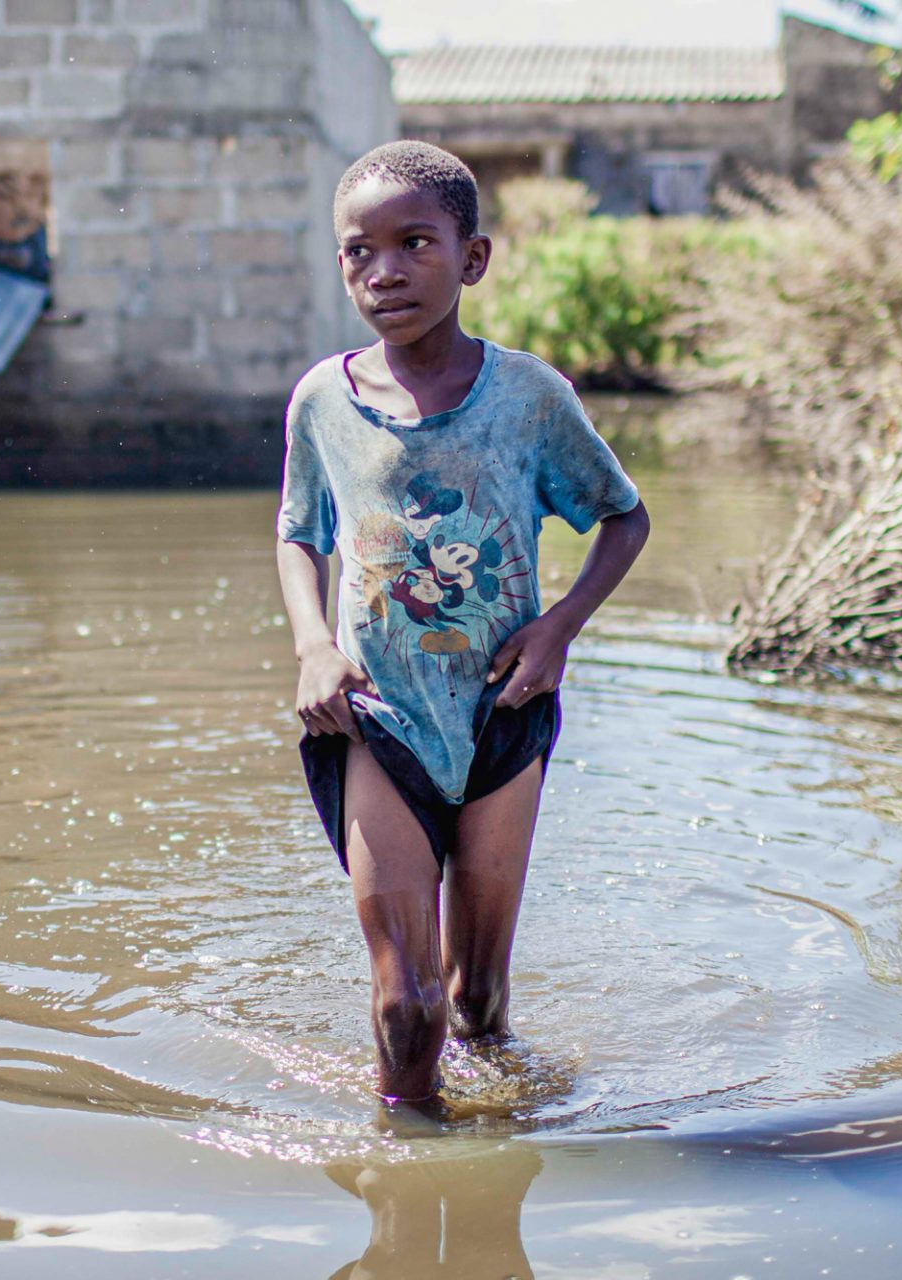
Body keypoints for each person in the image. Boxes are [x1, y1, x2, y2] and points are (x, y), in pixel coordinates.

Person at [274, 141, 650, 1106]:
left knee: (475, 1001)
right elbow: (297, 536)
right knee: (408, 1010)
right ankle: (406, 1179)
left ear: (472, 259)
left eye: (415, 244)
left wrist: (559, 626)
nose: (385, 271)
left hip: (499, 715)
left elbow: (623, 515)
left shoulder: (527, 398)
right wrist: (315, 645)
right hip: (376, 719)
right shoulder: (325, 400)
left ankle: (494, 1174)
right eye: (359, 251)